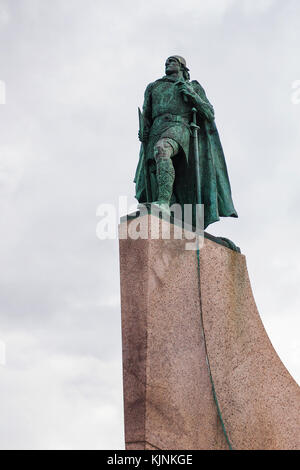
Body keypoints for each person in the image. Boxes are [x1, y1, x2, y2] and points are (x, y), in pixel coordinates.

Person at [134, 55, 238, 230]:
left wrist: (191, 95)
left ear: (183, 67)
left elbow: (209, 112)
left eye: (172, 61)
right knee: (155, 170)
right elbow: (147, 114)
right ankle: (173, 209)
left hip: (179, 126)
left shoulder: (192, 86)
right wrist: (143, 130)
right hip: (156, 129)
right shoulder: (153, 87)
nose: (168, 64)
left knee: (162, 149)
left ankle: (163, 204)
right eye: (166, 62)